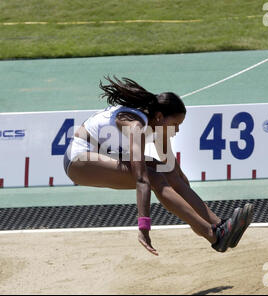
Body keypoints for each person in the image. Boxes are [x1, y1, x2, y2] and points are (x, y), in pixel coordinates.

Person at [63, 76, 254, 255]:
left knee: (166, 172)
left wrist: (181, 182)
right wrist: (144, 227)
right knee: (153, 177)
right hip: (78, 161)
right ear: (160, 117)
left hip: (101, 155)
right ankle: (212, 235)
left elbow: (171, 167)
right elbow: (141, 179)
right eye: (176, 124)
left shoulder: (158, 122)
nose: (177, 130)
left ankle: (220, 226)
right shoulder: (135, 126)